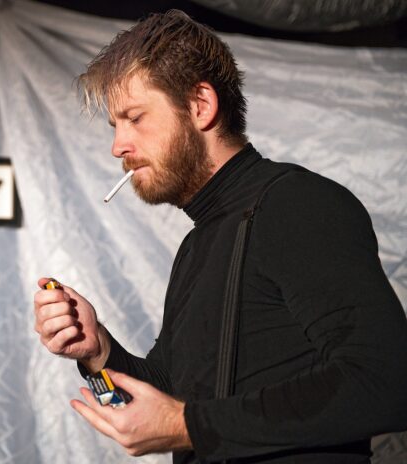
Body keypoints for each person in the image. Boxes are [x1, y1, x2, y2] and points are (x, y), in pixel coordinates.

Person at [33, 9, 407, 464]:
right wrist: (97, 351)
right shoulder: (197, 244)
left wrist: (189, 426)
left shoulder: (296, 204)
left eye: (135, 118)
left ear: (200, 105)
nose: (118, 147)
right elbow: (173, 395)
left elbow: (386, 380)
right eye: (116, 126)